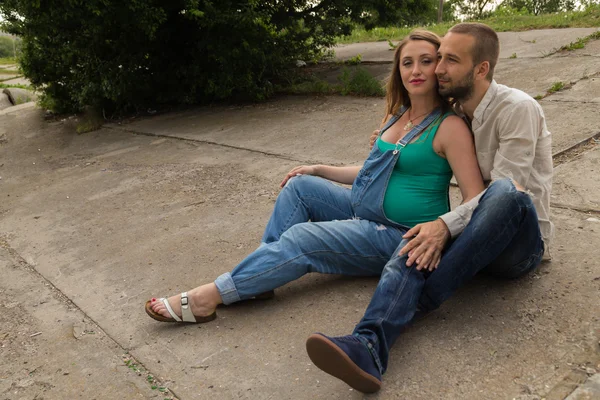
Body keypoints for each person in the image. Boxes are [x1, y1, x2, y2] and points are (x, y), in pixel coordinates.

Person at [144, 30, 484, 330]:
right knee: (299, 187)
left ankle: (210, 296)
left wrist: (440, 230)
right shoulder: (398, 117)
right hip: (364, 211)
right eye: (407, 62)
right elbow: (370, 175)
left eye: (427, 61)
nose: (416, 70)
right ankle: (260, 279)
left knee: (303, 239)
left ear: (439, 67)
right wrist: (319, 169)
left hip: (397, 235)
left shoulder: (449, 127)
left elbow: (475, 198)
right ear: (398, 70)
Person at [306, 22, 553, 393]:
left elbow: (509, 191)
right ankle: (368, 345)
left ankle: (416, 300)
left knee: (502, 193)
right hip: (474, 238)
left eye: (449, 60)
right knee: (420, 238)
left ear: (481, 69)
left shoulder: (517, 109)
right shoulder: (457, 107)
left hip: (517, 246)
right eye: (439, 58)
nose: (437, 69)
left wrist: (444, 224)